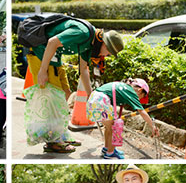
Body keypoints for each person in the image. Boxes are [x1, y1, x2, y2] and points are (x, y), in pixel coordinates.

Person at [29, 17, 124, 153]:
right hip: (41, 54)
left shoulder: (89, 43)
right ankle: (54, 142)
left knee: (66, 94)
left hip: (54, 57)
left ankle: (61, 135)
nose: (107, 55)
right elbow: (52, 42)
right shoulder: (83, 33)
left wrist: (91, 96)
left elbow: (83, 69)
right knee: (52, 99)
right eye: (109, 52)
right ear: (104, 44)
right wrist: (42, 71)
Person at [87, 78, 157, 160]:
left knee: (109, 127)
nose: (140, 99)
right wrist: (152, 126)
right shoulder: (131, 91)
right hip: (101, 101)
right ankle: (110, 153)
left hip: (93, 99)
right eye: (143, 96)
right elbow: (141, 111)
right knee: (114, 127)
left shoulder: (124, 87)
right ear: (140, 90)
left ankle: (107, 148)